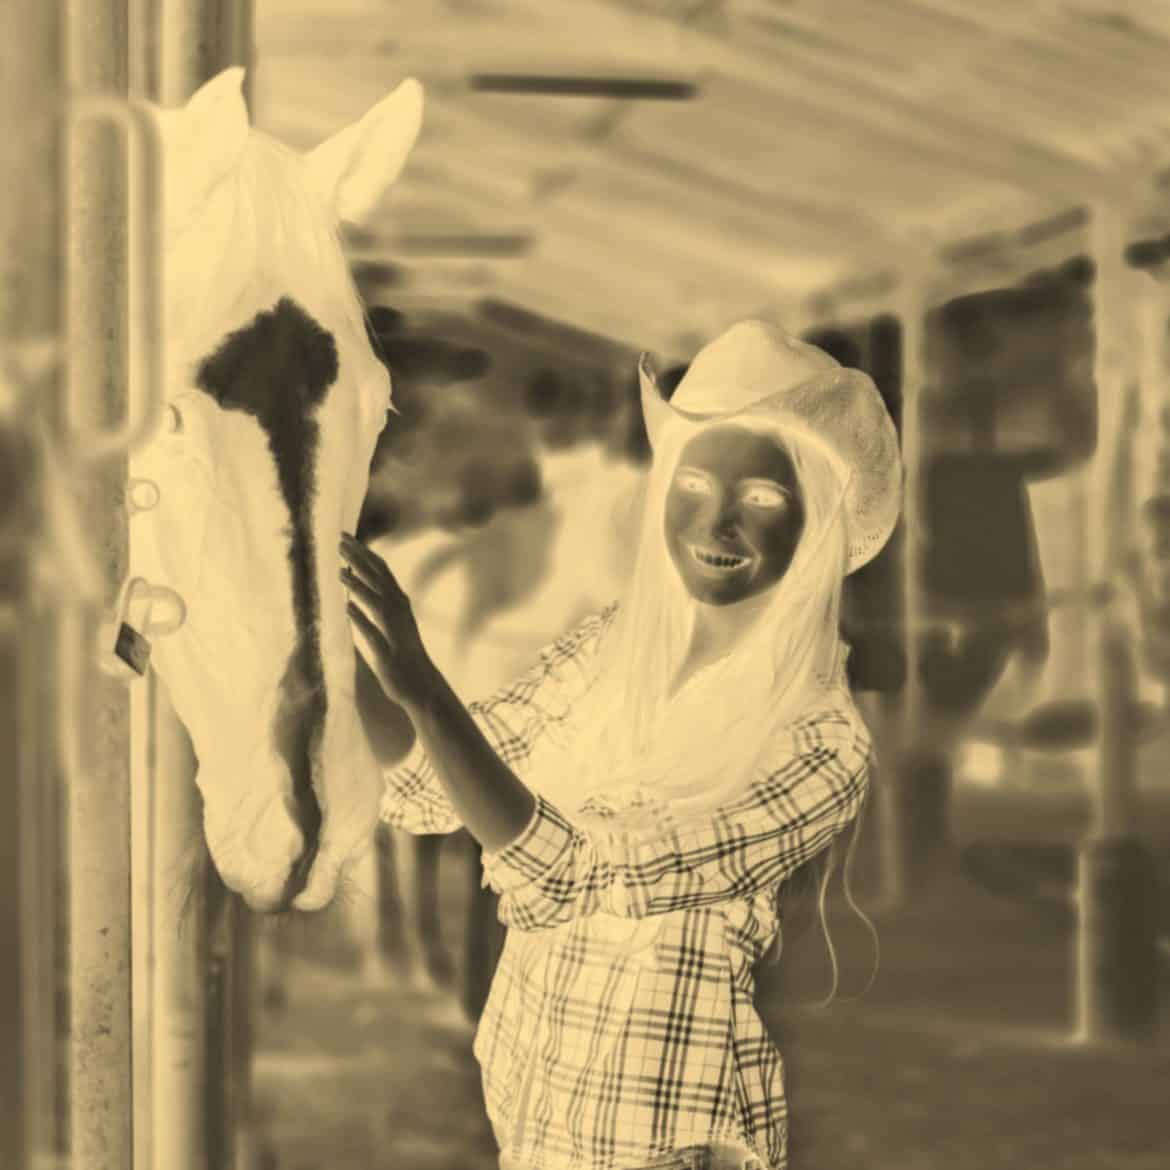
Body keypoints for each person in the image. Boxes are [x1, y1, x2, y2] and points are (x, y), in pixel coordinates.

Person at [340, 319, 903, 1170]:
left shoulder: (825, 746)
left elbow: (578, 876)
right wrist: (330, 635)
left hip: (668, 1138)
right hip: (537, 1117)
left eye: (761, 499)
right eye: (694, 485)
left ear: (817, 521)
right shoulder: (609, 647)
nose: (717, 522)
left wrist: (419, 682)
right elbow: (422, 789)